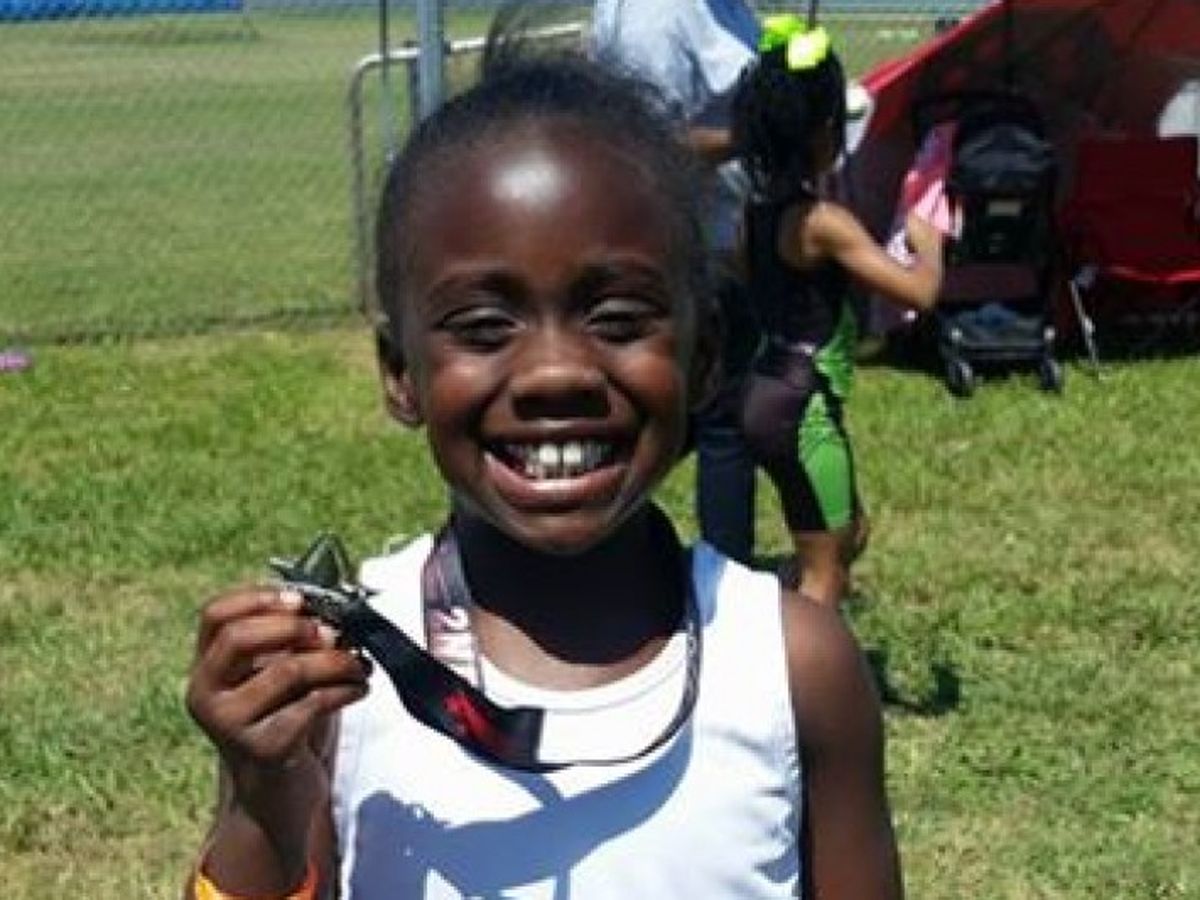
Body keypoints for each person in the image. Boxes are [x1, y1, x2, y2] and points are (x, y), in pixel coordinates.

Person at [183, 15, 902, 899]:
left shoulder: (795, 668)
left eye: (618, 317)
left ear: (706, 356)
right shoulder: (335, 680)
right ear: (401, 374)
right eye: (485, 326)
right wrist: (261, 804)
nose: (556, 372)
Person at [731, 16, 945, 607]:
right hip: (804, 407)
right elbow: (918, 294)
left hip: (764, 390)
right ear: (824, 132)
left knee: (849, 533)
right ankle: (799, 659)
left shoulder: (755, 212)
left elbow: (745, 277)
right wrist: (927, 244)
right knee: (826, 574)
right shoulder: (822, 223)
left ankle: (773, 614)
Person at [591, 0, 762, 564]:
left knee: (706, 413)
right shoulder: (655, 15)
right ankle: (726, 573)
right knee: (725, 421)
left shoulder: (726, 8)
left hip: (731, 240)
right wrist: (755, 134)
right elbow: (643, 145)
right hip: (686, 247)